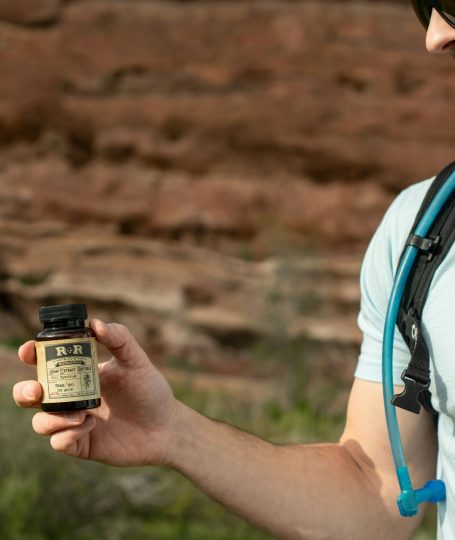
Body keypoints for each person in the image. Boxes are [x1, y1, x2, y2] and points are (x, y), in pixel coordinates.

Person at [12, 5, 455, 539]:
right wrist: (174, 433)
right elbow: (375, 494)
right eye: (422, 4)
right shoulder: (421, 230)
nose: (435, 36)